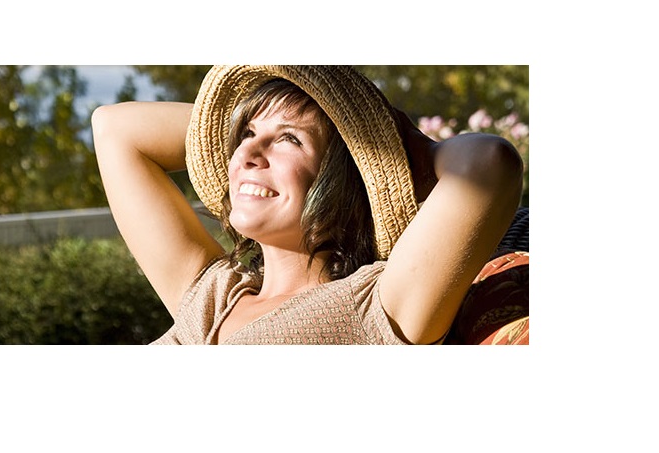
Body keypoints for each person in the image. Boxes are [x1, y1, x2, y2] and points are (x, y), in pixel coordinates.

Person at [91, 65, 522, 344]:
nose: (247, 153)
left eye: (288, 139)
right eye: (246, 134)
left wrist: (381, 146)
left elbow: (488, 164)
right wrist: (240, 135)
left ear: (339, 179)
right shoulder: (211, 292)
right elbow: (113, 128)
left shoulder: (374, 305)